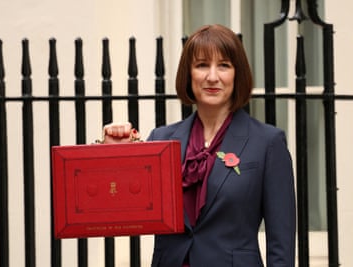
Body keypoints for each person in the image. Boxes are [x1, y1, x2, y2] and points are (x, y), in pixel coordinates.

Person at [103, 24, 296, 267]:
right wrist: (112, 155)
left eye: (224, 65)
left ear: (237, 74)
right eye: (202, 65)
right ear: (189, 73)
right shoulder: (161, 139)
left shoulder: (268, 143)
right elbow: (120, 211)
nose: (212, 77)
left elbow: (281, 245)